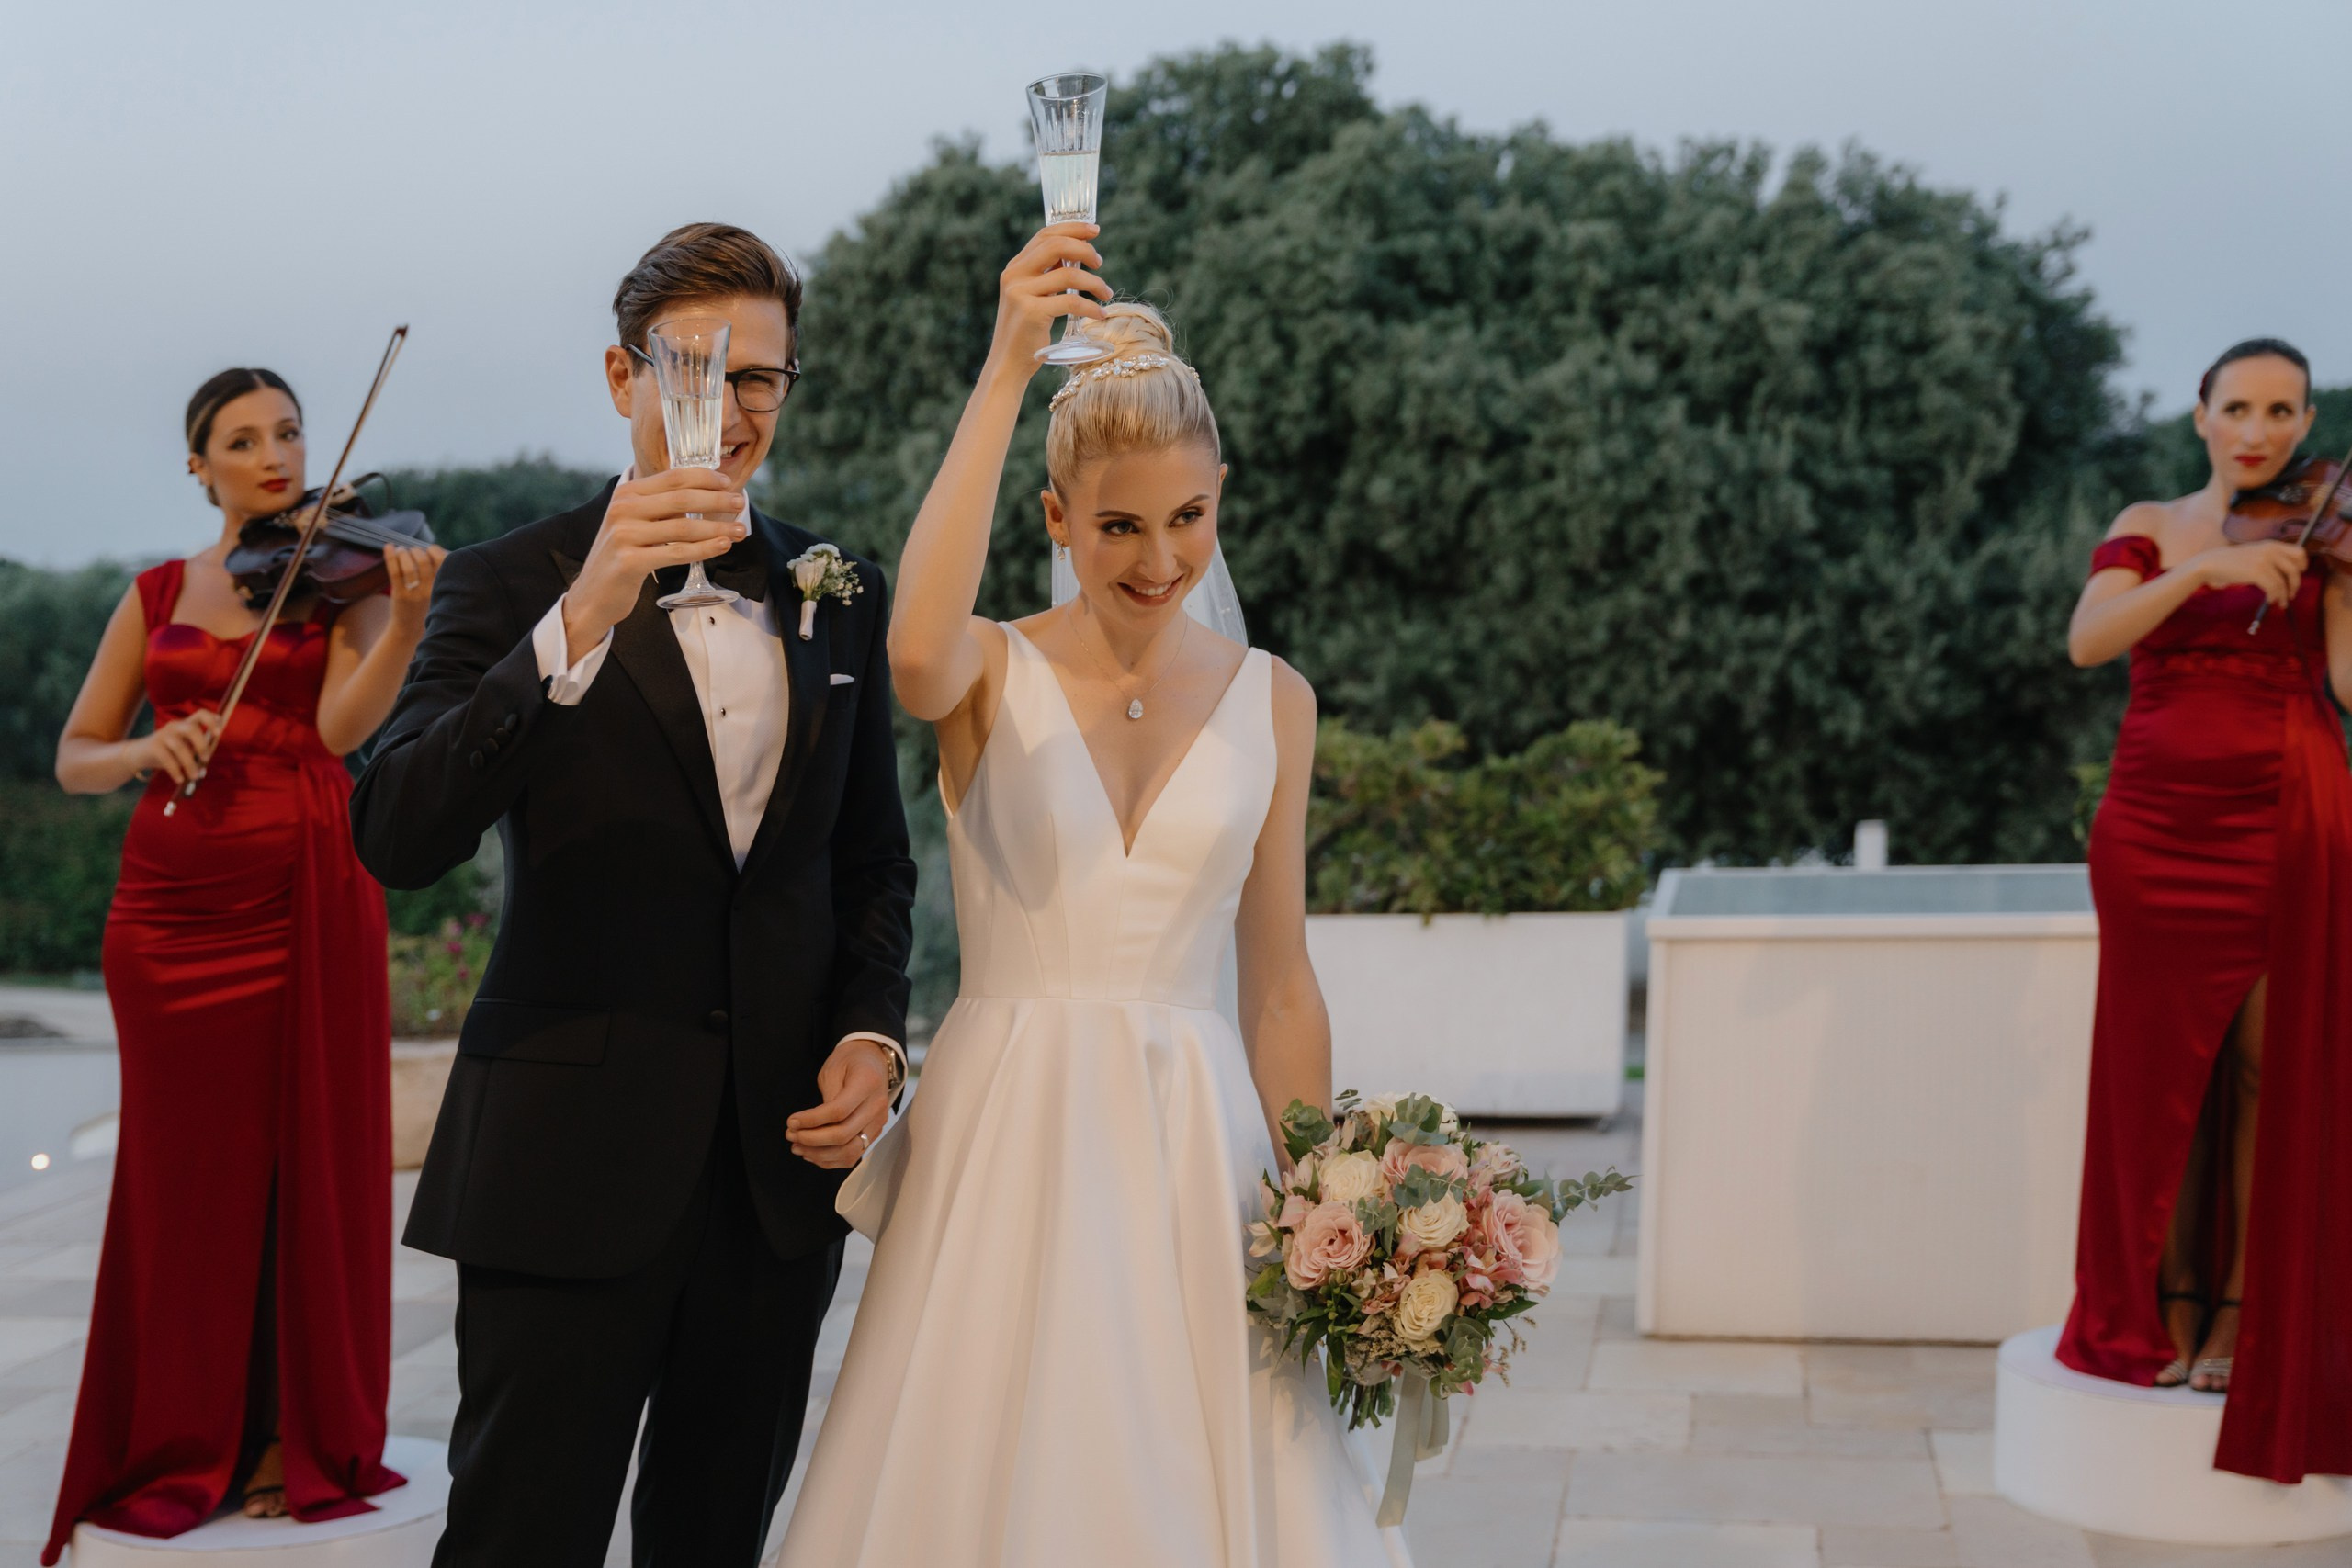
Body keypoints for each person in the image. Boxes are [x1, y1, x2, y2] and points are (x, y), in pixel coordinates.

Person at [777, 222, 1408, 1565]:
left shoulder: (1276, 700)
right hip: (1009, 1135)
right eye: (1119, 523)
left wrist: (1329, 1207)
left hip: (1200, 1149)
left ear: (1221, 495)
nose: (1160, 557)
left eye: (1190, 517)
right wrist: (1009, 363)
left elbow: (1280, 977)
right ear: (1056, 517)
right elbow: (908, 649)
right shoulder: (989, 670)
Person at [350, 222, 916, 1567]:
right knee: (516, 1539)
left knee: (715, 1538)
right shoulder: (505, 584)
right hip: (563, 1166)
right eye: (696, 367)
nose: (732, 408)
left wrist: (872, 1033)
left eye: (762, 376)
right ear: (621, 375)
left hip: (775, 1183)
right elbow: (396, 826)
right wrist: (583, 617)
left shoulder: (837, 590)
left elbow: (872, 863)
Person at [43, 369, 441, 1560]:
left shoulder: (341, 578)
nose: (275, 455)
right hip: (163, 914)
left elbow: (338, 730)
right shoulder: (159, 588)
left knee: (296, 1161)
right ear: (197, 464)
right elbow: (73, 754)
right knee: (184, 1181)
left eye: (288, 432)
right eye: (242, 439)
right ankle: (179, 1432)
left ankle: (288, 1432)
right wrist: (142, 747)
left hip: (301, 888)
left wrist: (408, 620)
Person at [2060, 336, 2352, 1483]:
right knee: (2148, 1074)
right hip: (2150, 828)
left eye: (2284, 410)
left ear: (2302, 419)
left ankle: (2238, 1315)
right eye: (2239, 406)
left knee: (2262, 1075)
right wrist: (2204, 575)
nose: (2261, 429)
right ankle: (2147, 1311)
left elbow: (2344, 689)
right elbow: (2089, 639)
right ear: (2201, 416)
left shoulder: (2323, 540)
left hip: (2286, 810)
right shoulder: (2151, 524)